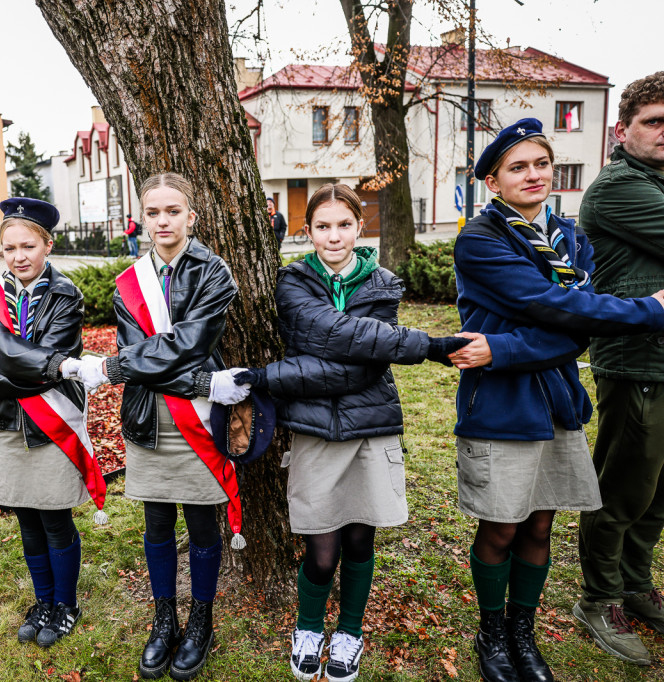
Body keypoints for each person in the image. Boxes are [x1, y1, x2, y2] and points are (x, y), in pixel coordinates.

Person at [449, 118, 664, 682]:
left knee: (541, 525)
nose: (534, 175)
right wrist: (650, 309)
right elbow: (556, 308)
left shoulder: (571, 238)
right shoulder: (482, 240)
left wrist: (500, 347)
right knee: (501, 526)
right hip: (502, 405)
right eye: (517, 167)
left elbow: (578, 327)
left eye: (541, 164)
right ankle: (493, 634)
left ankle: (523, 632)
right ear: (493, 182)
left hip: (558, 404)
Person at [234, 183, 470, 682]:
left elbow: (365, 363)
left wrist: (270, 377)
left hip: (371, 427)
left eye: (344, 224)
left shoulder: (382, 284)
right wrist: (425, 346)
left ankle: (350, 631)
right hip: (314, 430)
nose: (334, 236)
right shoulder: (293, 282)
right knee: (322, 554)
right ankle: (308, 627)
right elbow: (347, 338)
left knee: (360, 542)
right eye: (323, 226)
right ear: (308, 231)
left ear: (360, 227)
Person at [72, 172, 249, 680]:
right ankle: (164, 618)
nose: (163, 221)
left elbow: (188, 344)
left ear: (191, 216)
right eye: (153, 212)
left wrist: (114, 368)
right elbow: (143, 358)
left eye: (173, 211)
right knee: (156, 523)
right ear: (142, 218)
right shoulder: (130, 281)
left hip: (198, 419)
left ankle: (201, 622)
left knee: (201, 524)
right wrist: (186, 377)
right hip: (149, 416)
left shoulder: (214, 272)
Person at [0, 197, 106, 648]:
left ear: (48, 245)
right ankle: (43, 600)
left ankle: (66, 604)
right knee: (27, 518)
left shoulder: (66, 294)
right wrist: (28, 369)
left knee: (54, 518)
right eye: (9, 248)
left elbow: (39, 368)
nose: (18, 257)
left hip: (52, 421)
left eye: (28, 246)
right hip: (11, 423)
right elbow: (5, 356)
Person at [575, 71, 664, 666]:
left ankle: (636, 586)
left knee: (658, 494)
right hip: (637, 362)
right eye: (654, 122)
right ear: (621, 129)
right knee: (623, 488)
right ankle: (600, 597)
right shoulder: (619, 188)